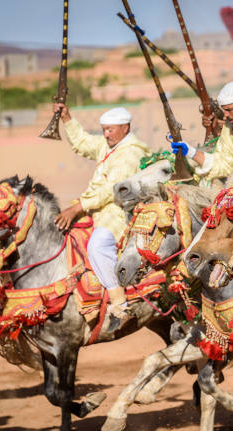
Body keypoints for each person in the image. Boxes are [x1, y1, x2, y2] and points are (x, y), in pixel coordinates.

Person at [53, 103, 152, 322]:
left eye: (110, 130)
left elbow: (112, 190)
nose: (106, 134)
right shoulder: (109, 145)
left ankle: (119, 301)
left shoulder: (131, 153)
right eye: (104, 129)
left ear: (125, 128)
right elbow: (82, 143)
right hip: (97, 209)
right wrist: (67, 118)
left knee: (97, 246)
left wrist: (78, 206)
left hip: (119, 213)